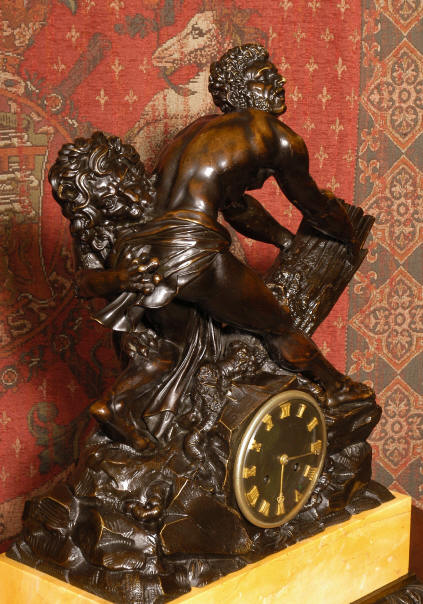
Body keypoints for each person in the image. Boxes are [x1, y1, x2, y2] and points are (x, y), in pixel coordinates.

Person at [51, 44, 372, 449]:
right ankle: (337, 388)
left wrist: (284, 240)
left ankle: (117, 406)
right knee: (277, 325)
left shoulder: (195, 134)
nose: (279, 81)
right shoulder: (276, 136)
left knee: (171, 347)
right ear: (237, 92)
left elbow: (237, 208)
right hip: (190, 250)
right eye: (264, 76)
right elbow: (316, 209)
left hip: (140, 252)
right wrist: (346, 233)